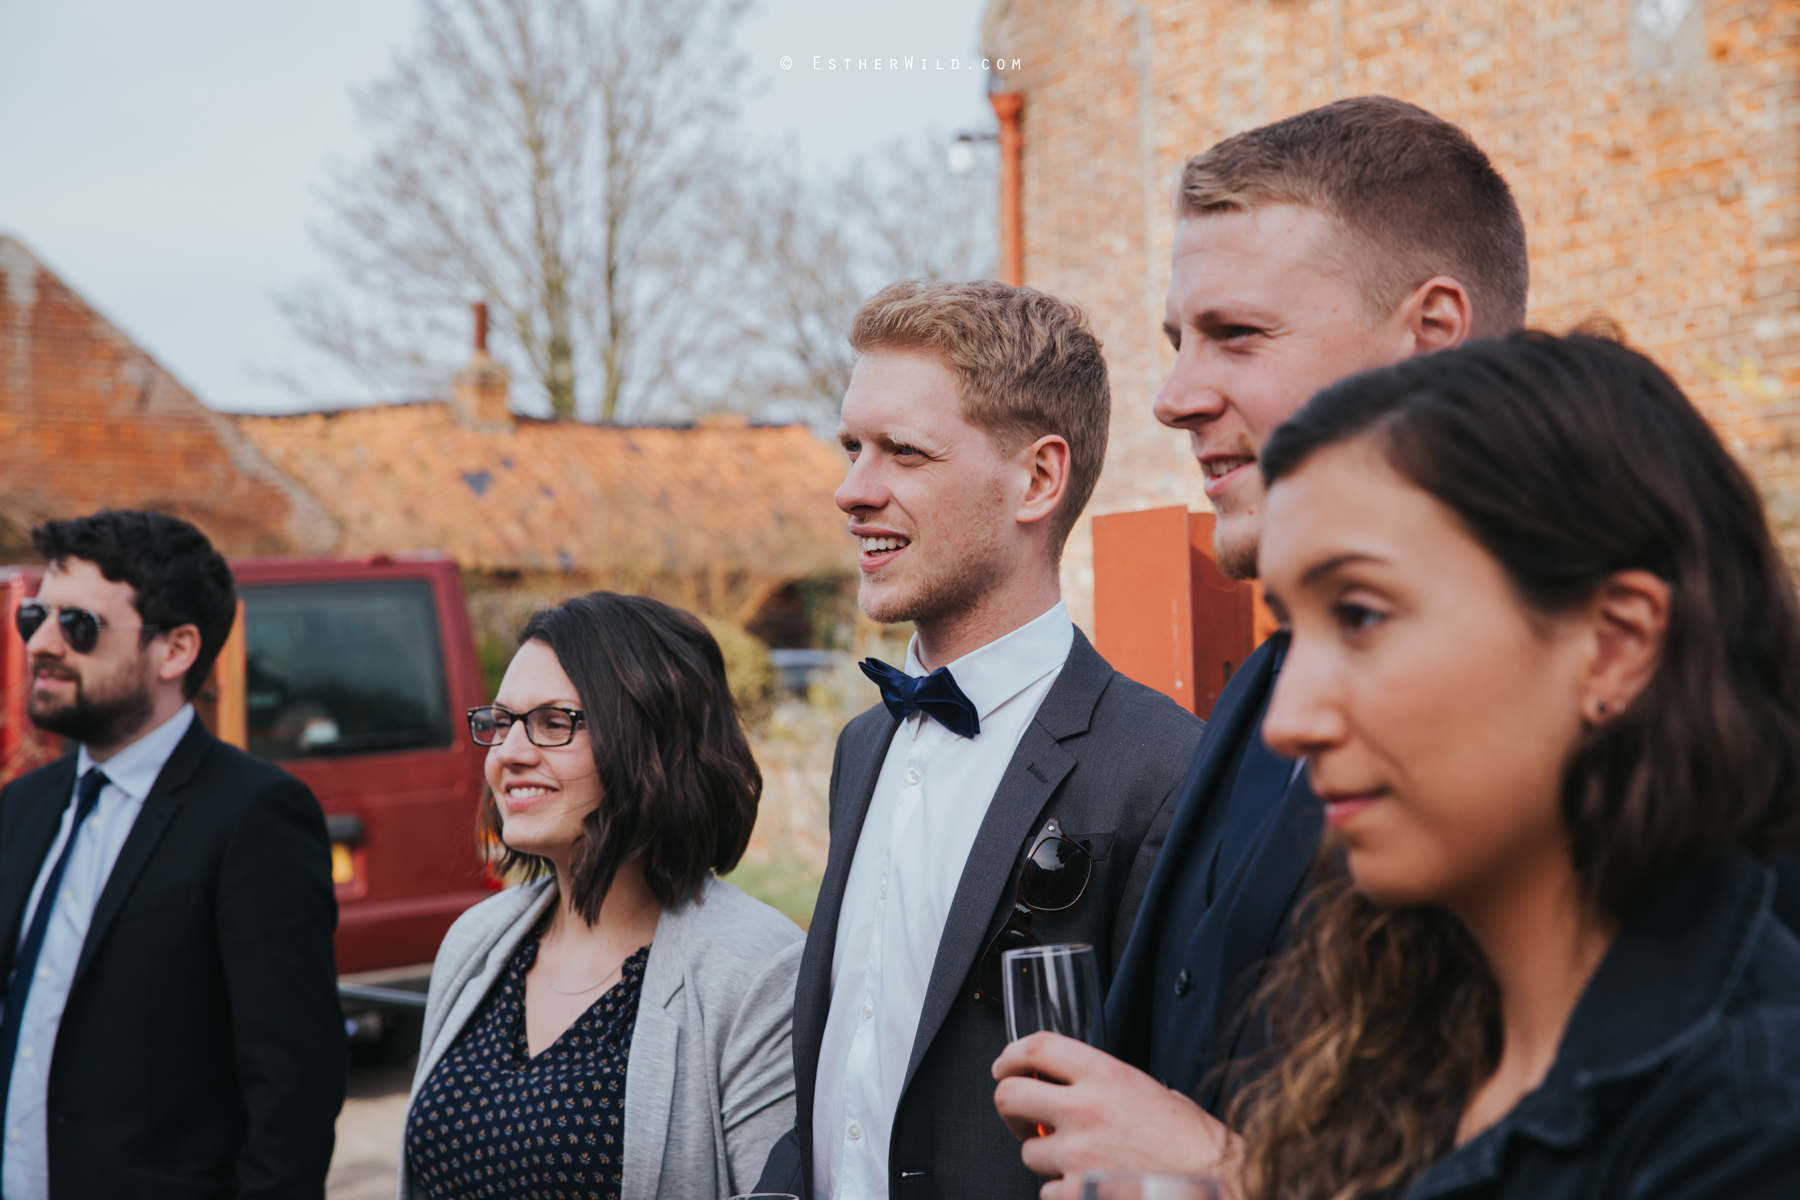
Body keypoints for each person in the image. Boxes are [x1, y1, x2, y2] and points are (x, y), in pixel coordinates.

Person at [993, 96, 1531, 1190]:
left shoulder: (1592, 720)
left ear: (1430, 336)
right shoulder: (1264, 689)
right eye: (1176, 341)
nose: (1173, 399)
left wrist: (1224, 1173)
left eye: (1237, 335)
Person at [1230, 331, 1800, 1195]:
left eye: (1360, 614)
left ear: (1613, 644)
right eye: (1290, 629)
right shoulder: (1411, 1033)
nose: (1288, 721)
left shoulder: (1750, 1122)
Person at [754, 279, 1203, 1199]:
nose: (851, 491)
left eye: (903, 453)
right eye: (852, 449)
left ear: (1037, 478)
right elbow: (850, 1074)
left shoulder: (1161, 770)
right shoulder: (860, 750)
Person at [397, 592, 803, 1200]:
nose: (508, 753)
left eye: (554, 722)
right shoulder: (477, 942)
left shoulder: (757, 971)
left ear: (654, 742)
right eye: (501, 722)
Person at [0, 510, 344, 1200]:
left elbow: (293, 1092)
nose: (41, 642)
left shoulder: (254, 816)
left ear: (177, 649)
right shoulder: (22, 807)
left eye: (79, 625)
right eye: (34, 616)